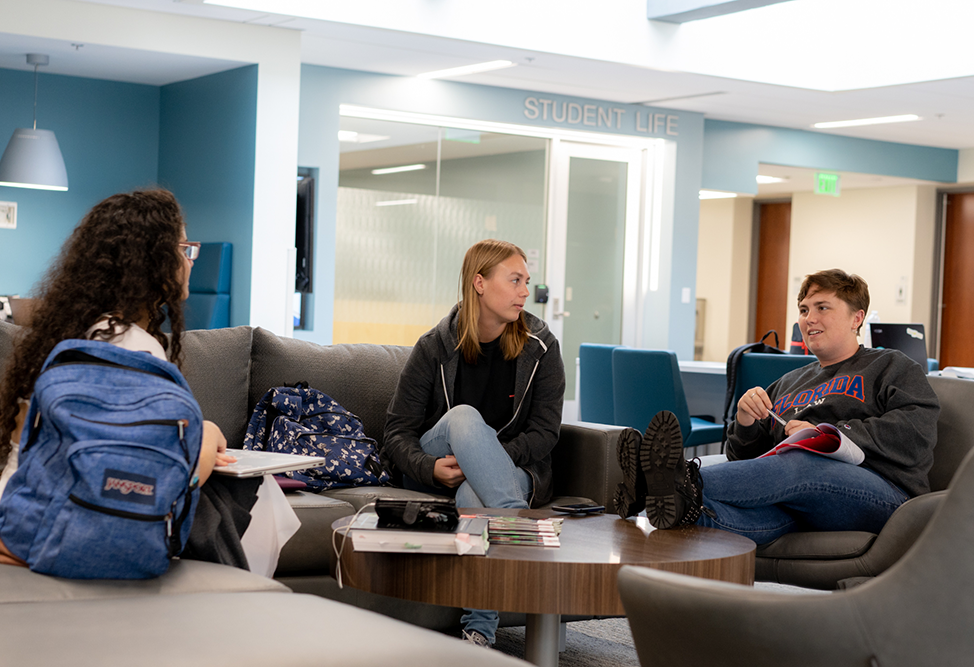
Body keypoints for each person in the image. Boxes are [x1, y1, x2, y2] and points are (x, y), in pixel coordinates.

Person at [0, 189, 298, 576]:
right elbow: (168, 474)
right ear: (152, 261)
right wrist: (207, 434)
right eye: (183, 248)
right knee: (261, 496)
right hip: (59, 526)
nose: (189, 260)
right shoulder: (133, 347)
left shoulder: (69, 334)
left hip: (14, 514)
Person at [621, 269, 940, 544]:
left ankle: (658, 481)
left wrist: (827, 436)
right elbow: (749, 461)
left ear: (857, 317)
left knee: (802, 460)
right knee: (694, 511)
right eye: (803, 309)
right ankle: (672, 499)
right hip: (799, 498)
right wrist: (745, 422)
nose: (808, 319)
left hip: (883, 494)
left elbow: (914, 432)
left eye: (822, 307)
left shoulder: (892, 366)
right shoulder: (788, 382)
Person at [382, 239, 565, 647]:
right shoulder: (434, 347)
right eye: (514, 280)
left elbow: (545, 432)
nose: (524, 291)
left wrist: (487, 458)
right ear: (479, 283)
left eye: (527, 282)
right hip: (439, 459)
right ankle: (522, 533)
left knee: (473, 490)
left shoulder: (541, 348)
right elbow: (396, 432)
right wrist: (428, 467)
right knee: (463, 415)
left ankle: (478, 633)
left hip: (508, 470)